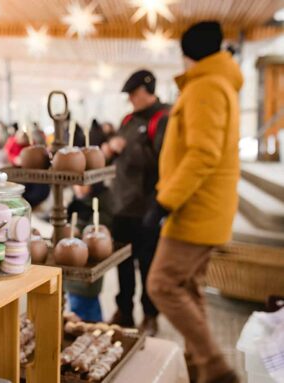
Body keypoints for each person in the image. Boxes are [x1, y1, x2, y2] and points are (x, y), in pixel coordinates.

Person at [145, 21, 242, 383]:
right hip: (204, 206)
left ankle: (215, 366)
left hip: (195, 209)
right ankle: (199, 367)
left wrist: (165, 201)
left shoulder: (207, 86)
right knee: (186, 286)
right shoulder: (218, 83)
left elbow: (203, 153)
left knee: (162, 284)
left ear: (188, 53)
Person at [108, 70, 170, 336]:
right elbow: (119, 155)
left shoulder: (163, 118)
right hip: (121, 205)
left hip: (146, 207)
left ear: (148, 91)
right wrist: (110, 148)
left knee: (147, 265)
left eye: (134, 94)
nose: (131, 100)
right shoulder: (128, 120)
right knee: (122, 262)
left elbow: (163, 159)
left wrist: (126, 148)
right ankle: (124, 311)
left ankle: (150, 315)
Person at [65, 183, 114, 322]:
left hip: (87, 272)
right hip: (71, 274)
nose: (79, 188)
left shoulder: (101, 203)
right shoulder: (75, 203)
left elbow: (96, 235)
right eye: (76, 185)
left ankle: (92, 331)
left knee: (87, 309)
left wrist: (78, 230)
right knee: (75, 304)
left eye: (84, 185)